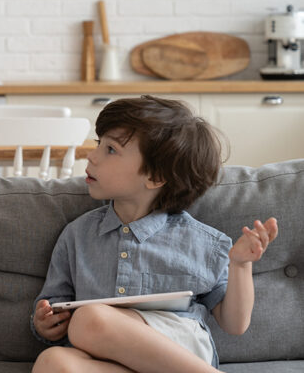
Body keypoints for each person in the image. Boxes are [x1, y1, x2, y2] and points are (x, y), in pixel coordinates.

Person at [31, 95, 278, 373]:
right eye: (99, 143)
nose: (91, 155)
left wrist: (241, 265)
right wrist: (45, 324)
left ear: (155, 177)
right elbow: (54, 304)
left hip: (179, 349)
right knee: (52, 362)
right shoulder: (77, 235)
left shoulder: (204, 242)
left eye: (110, 149)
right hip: (104, 356)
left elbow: (234, 324)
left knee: (89, 320)